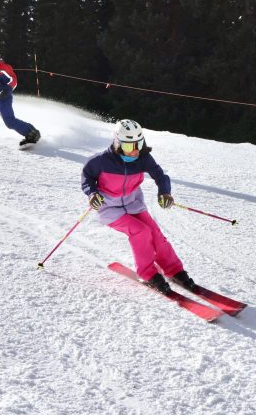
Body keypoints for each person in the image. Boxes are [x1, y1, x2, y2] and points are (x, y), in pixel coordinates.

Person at [81, 119, 196, 295]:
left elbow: (160, 176)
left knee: (155, 233)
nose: (134, 151)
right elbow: (87, 177)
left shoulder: (143, 158)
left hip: (133, 203)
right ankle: (148, 273)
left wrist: (165, 192)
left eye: (138, 144)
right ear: (117, 142)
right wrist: (92, 193)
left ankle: (174, 269)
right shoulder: (100, 161)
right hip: (110, 208)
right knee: (140, 232)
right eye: (128, 146)